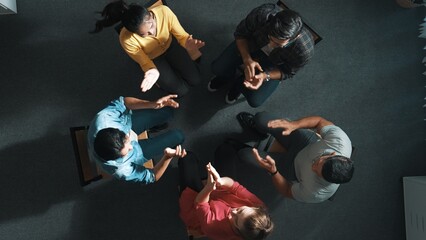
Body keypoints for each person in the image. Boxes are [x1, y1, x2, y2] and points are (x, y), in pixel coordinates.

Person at [209, 3, 314, 107]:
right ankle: (226, 77)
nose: (271, 45)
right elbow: (240, 34)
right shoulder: (262, 14)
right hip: (252, 45)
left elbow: (288, 72)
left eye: (278, 44)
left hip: (273, 63)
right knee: (218, 68)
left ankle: (238, 87)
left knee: (255, 101)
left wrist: (265, 76)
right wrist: (247, 59)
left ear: (295, 38)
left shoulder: (304, 51)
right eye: (270, 38)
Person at [236, 112, 354, 203]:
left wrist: (274, 172)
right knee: (261, 118)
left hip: (292, 168)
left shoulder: (316, 193)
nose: (313, 166)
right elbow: (319, 121)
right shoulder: (340, 142)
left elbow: (287, 190)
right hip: (305, 143)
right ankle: (258, 130)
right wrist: (294, 125)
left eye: (316, 172)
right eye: (319, 161)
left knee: (245, 155)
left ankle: (241, 147)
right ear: (333, 154)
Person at [92, 0, 205, 96]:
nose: (151, 33)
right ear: (133, 32)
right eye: (143, 34)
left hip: (171, 45)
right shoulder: (126, 39)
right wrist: (151, 70)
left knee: (196, 80)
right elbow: (144, 61)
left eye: (151, 25)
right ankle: (161, 82)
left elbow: (182, 36)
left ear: (151, 16)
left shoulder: (164, 12)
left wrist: (187, 42)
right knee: (181, 91)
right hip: (153, 58)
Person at [87, 95, 185, 184]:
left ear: (116, 129)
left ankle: (153, 126)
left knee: (167, 111)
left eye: (127, 141)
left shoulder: (104, 119)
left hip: (129, 126)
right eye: (127, 151)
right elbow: (153, 176)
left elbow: (123, 102)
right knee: (178, 136)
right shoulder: (122, 170)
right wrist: (167, 157)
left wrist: (152, 104)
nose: (131, 146)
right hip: (139, 153)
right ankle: (153, 128)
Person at [178, 149, 274, 240]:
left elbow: (199, 203)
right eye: (240, 210)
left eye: (235, 220)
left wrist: (208, 188)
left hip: (197, 205)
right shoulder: (259, 207)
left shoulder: (213, 227)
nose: (233, 212)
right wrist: (220, 181)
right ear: (255, 208)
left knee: (186, 157)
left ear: (239, 232)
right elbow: (235, 187)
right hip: (221, 193)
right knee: (225, 150)